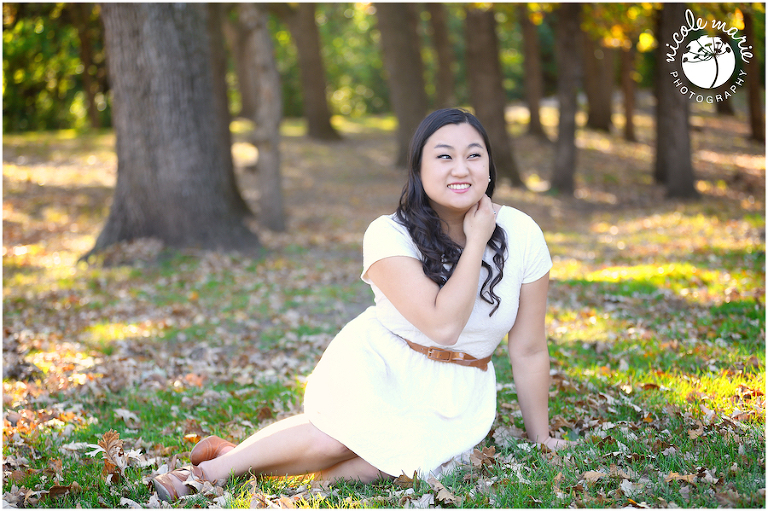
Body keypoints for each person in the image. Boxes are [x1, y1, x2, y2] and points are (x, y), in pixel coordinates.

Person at [152, 108, 572, 502]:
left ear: (489, 166)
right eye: (444, 156)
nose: (461, 169)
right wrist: (477, 239)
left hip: (458, 388)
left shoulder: (522, 233)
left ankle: (264, 475)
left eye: (473, 155)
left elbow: (529, 348)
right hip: (385, 362)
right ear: (419, 169)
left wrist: (541, 436)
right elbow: (443, 326)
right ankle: (204, 476)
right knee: (337, 438)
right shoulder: (388, 234)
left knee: (389, 465)